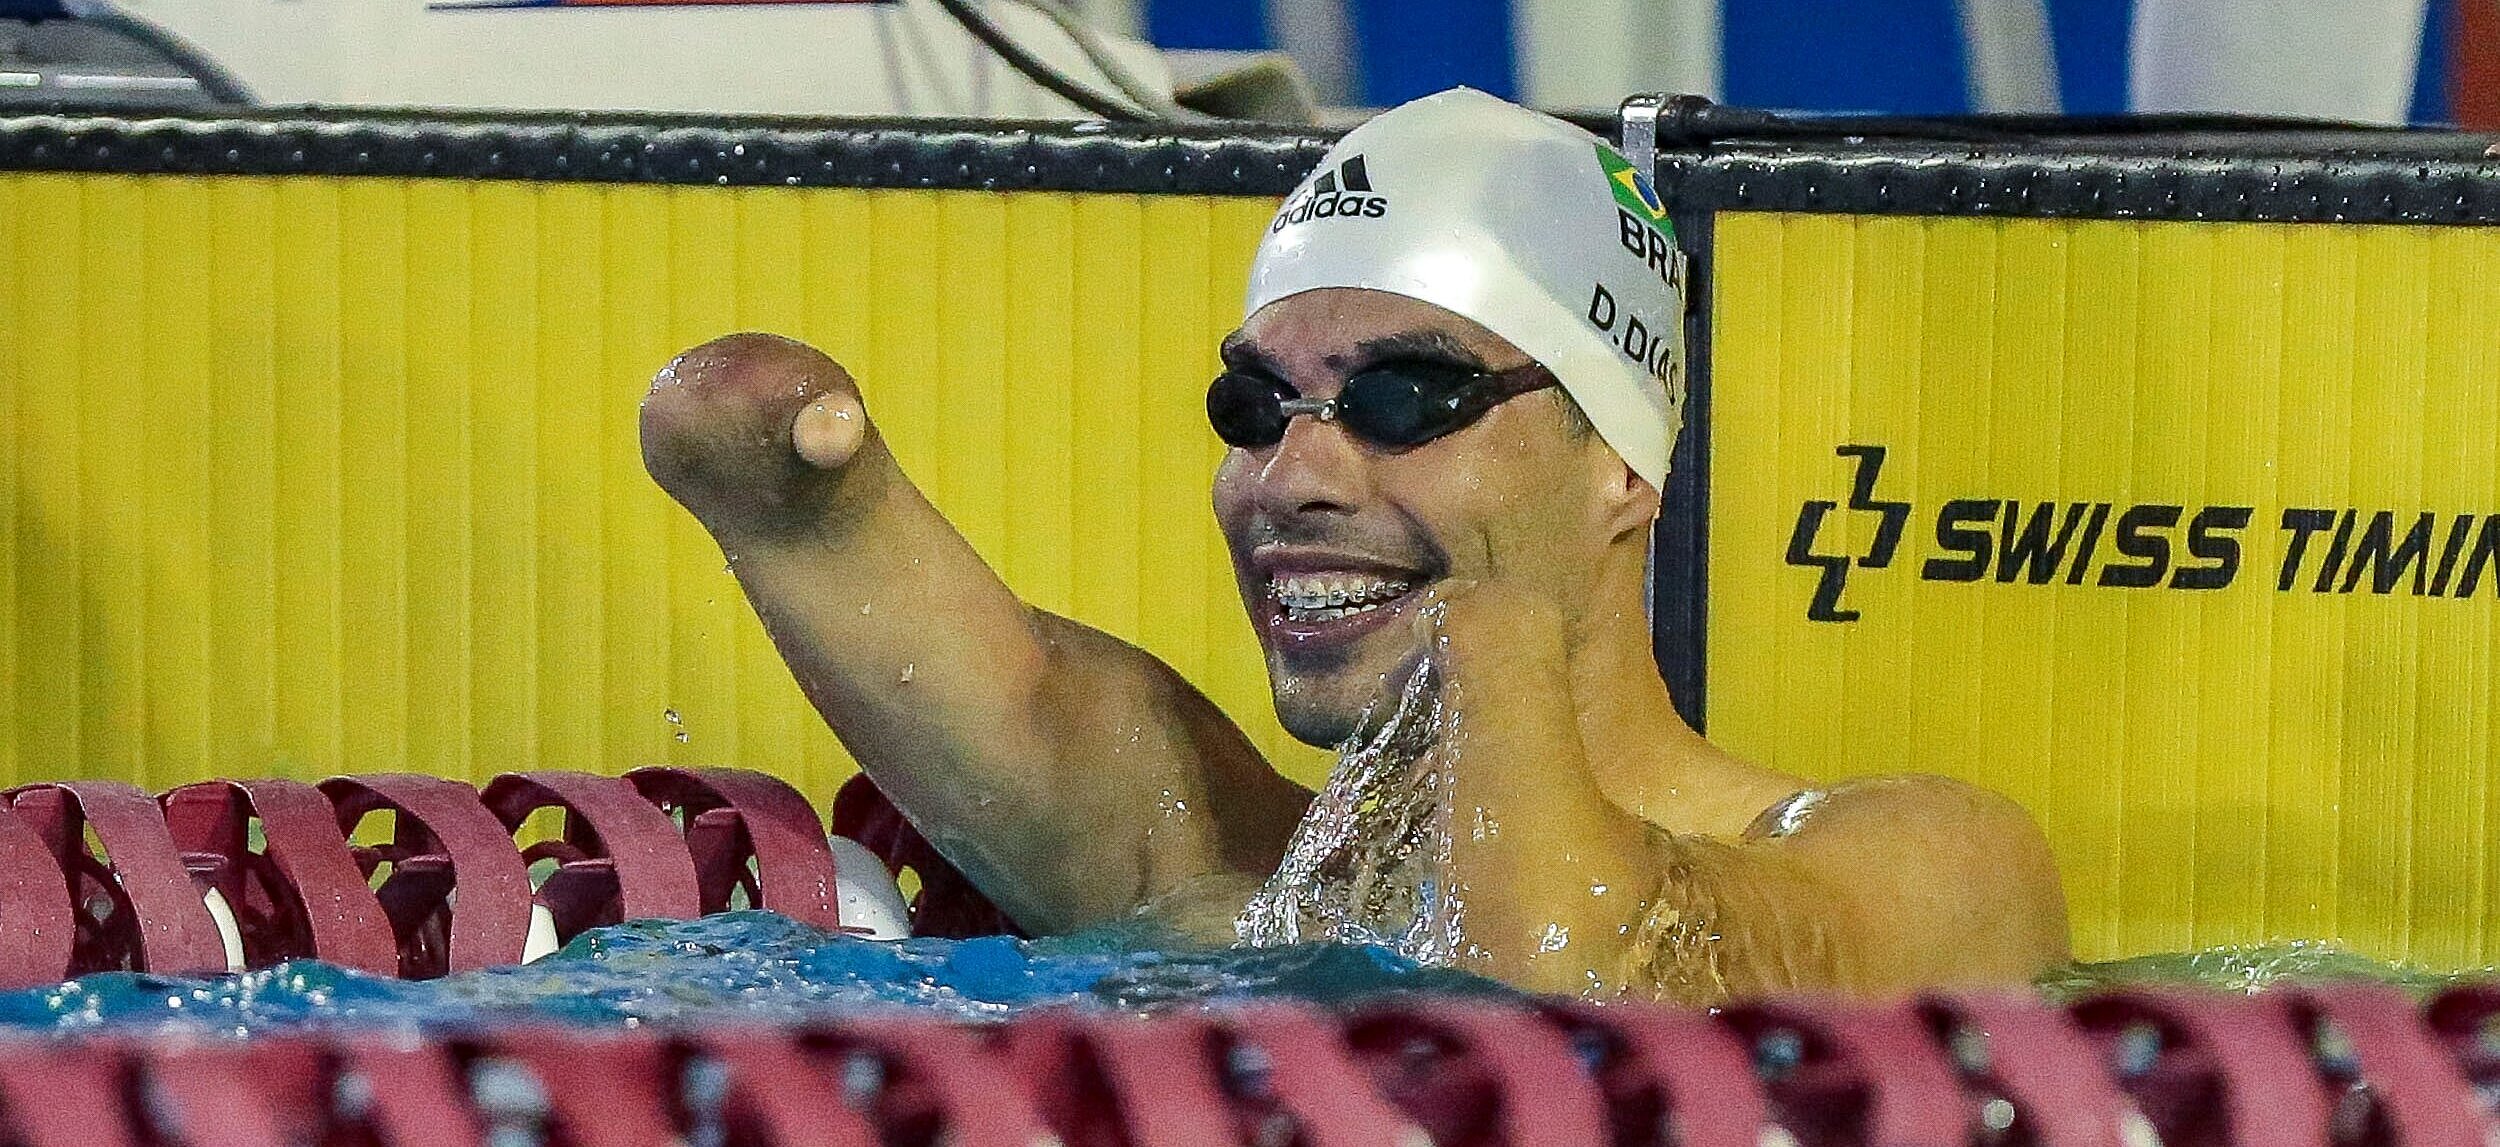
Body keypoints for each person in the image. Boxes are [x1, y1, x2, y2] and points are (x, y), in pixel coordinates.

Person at [637, 89, 2069, 1002]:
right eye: (1254, 405)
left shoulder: (1934, 866)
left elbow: (1570, 981)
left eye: (1405, 397)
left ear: (1622, 465)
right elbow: (1009, 695)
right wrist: (790, 473)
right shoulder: (1229, 884)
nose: (1292, 473)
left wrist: (1489, 637)